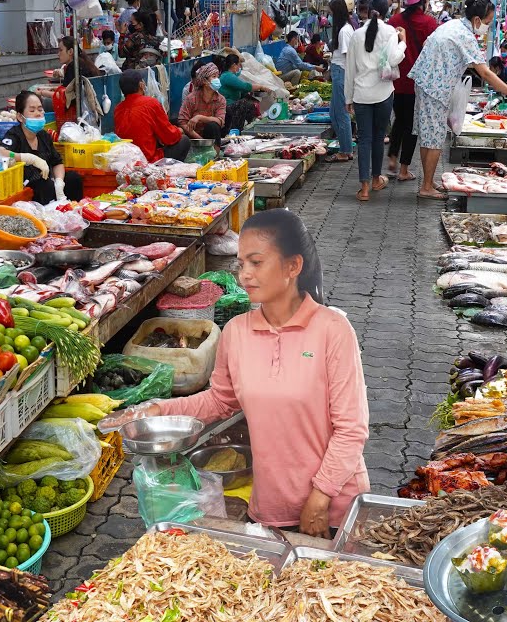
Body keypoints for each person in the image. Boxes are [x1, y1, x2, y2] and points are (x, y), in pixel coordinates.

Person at [110, 209, 369, 537]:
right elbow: (220, 401)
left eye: (257, 262)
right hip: (272, 507)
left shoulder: (333, 330)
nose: (244, 275)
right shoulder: (236, 331)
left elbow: (352, 429)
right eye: (241, 263)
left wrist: (321, 496)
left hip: (334, 508)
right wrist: (156, 411)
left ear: (293, 266)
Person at [409, 0, 507, 200]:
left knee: (428, 136)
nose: (488, 27)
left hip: (424, 83)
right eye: (488, 22)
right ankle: (426, 187)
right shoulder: (465, 35)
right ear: (476, 19)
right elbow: (486, 73)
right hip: (436, 89)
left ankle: (428, 182)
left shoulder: (452, 25)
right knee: (435, 138)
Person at [345, 0, 406, 202]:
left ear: (369, 10)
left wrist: (348, 97)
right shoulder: (390, 31)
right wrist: (403, 42)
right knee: (378, 138)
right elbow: (394, 59)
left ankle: (364, 188)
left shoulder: (356, 34)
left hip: (361, 95)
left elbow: (350, 69)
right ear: (386, 11)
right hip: (383, 94)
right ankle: (376, 180)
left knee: (364, 140)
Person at [387, 0, 440, 182]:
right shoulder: (429, 23)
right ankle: (403, 170)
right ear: (424, 0)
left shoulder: (394, 21)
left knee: (399, 121)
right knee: (412, 126)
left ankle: (392, 158)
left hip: (395, 82)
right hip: (418, 83)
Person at [2, 91, 82, 204]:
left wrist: (59, 182)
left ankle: (74, 211)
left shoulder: (43, 136)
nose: (38, 113)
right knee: (45, 185)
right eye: (32, 110)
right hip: (27, 189)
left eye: (40, 109)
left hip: (48, 185)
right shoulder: (14, 135)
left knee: (73, 178)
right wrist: (28, 158)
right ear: (20, 116)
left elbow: (57, 162)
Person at [113, 70, 191, 162]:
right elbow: (169, 137)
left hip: (126, 160)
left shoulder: (118, 109)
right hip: (148, 160)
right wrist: (179, 131)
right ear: (141, 85)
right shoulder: (150, 103)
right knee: (184, 141)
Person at [327, 0, 355, 163]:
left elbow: (347, 57)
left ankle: (345, 150)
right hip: (338, 71)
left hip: (341, 72)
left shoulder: (344, 31)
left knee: (341, 112)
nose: (329, 16)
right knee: (333, 112)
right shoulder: (345, 28)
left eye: (330, 13)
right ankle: (346, 146)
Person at [52, 35, 103, 124]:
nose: (58, 54)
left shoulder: (74, 66)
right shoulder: (81, 62)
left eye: (61, 50)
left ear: (70, 51)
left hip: (83, 111)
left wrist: (42, 93)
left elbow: (65, 95)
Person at [178, 63, 227, 148]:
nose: (217, 79)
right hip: (193, 136)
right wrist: (201, 140)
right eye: (214, 76)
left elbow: (220, 121)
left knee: (213, 126)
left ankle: (216, 155)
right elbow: (182, 121)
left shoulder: (220, 99)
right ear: (205, 81)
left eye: (217, 76)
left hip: (211, 136)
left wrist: (200, 117)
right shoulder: (191, 98)